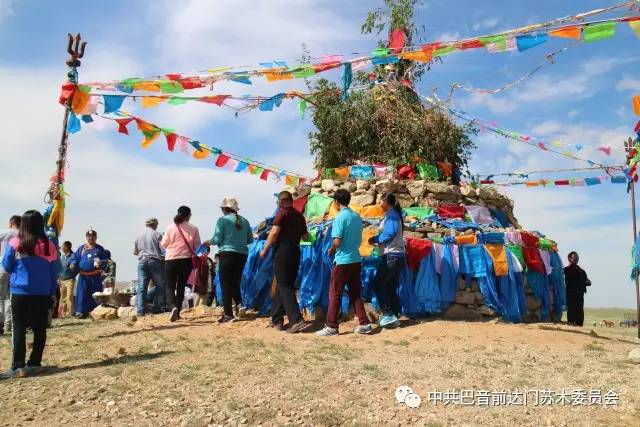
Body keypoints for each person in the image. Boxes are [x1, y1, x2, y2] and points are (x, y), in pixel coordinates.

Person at [1, 210, 58, 378]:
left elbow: (7, 265)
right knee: (40, 328)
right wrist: (50, 292)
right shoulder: (49, 245)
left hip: (20, 291)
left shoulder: (16, 242)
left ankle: (18, 366)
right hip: (42, 292)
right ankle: (35, 363)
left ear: (23, 225)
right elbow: (54, 272)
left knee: (18, 328)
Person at [317, 189, 372, 336]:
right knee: (355, 294)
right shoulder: (356, 217)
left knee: (335, 294)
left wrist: (331, 249)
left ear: (336, 202)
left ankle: (331, 326)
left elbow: (337, 240)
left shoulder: (340, 217)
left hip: (342, 261)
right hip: (355, 259)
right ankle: (364, 323)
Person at [260, 191, 308, 333]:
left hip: (283, 251)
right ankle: (277, 320)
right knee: (284, 285)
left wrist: (265, 249)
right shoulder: (300, 216)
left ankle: (296, 320)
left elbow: (274, 233)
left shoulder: (282, 213)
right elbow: (306, 238)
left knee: (284, 285)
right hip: (295, 251)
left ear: (280, 202)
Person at [206, 197, 253, 322]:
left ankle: (228, 314)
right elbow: (250, 240)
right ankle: (240, 304)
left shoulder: (222, 220)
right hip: (242, 254)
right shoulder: (245, 221)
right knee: (235, 281)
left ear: (224, 208)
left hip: (227, 253)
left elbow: (217, 239)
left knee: (226, 283)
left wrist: (208, 242)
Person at [368, 193, 405, 328]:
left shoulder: (392, 215)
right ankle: (395, 315)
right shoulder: (393, 215)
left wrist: (376, 239)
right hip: (396, 256)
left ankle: (388, 314)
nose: (379, 204)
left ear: (385, 201)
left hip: (392, 256)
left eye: (380, 201)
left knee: (377, 284)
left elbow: (388, 234)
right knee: (389, 286)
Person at [161, 206, 201, 322]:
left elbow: (163, 244)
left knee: (169, 286)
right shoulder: (194, 228)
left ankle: (172, 306)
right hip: (186, 260)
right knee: (181, 286)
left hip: (171, 260)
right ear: (188, 216)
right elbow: (197, 247)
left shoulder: (170, 227)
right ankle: (178, 312)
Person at [74, 229, 110, 318]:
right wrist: (72, 263)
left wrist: (101, 262)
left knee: (95, 294)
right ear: (86, 237)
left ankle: (94, 312)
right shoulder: (81, 248)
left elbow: (106, 260)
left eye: (93, 236)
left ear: (96, 237)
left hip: (95, 276)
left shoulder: (99, 249)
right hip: (83, 276)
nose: (91, 238)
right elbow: (74, 258)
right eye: (89, 236)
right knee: (82, 294)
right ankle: (80, 312)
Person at [134, 218, 165, 315]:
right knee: (160, 285)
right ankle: (157, 308)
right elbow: (163, 250)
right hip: (155, 261)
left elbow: (135, 252)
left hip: (142, 261)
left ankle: (140, 311)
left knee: (142, 287)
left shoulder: (139, 236)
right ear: (155, 224)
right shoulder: (157, 234)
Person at [0, 215, 21, 335]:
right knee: (12, 297)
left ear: (10, 223)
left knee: (1, 298)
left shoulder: (3, 233)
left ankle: (1, 324)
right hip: (17, 269)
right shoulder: (23, 234)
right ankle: (10, 324)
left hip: (2, 267)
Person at [564, 251, 591, 327]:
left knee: (580, 317)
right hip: (570, 296)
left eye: (577, 258)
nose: (576, 259)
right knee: (571, 316)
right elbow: (563, 281)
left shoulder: (582, 271)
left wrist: (585, 283)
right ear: (569, 258)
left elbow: (588, 281)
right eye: (574, 257)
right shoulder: (565, 270)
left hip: (579, 296)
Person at [57, 241, 77, 318]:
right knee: (62, 297)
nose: (61, 247)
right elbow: (59, 268)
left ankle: (69, 313)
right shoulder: (62, 256)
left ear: (66, 247)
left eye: (62, 246)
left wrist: (73, 265)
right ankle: (62, 313)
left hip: (69, 279)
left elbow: (74, 262)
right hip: (62, 280)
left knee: (69, 296)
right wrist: (58, 278)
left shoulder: (72, 255)